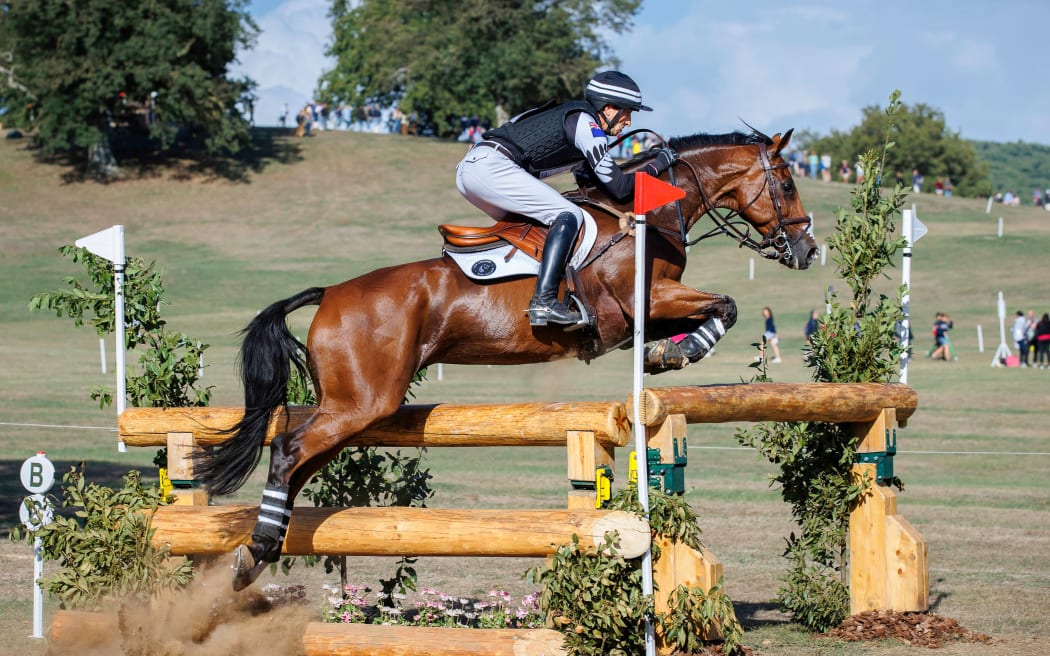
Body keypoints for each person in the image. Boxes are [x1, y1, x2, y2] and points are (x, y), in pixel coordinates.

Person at [456, 71, 677, 327]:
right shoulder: (588, 125)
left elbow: (592, 184)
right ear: (609, 108)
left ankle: (521, 293)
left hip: (475, 169)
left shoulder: (577, 121)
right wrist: (657, 164)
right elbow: (619, 188)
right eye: (627, 113)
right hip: (491, 168)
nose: (628, 122)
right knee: (569, 215)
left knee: (535, 230)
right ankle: (544, 302)